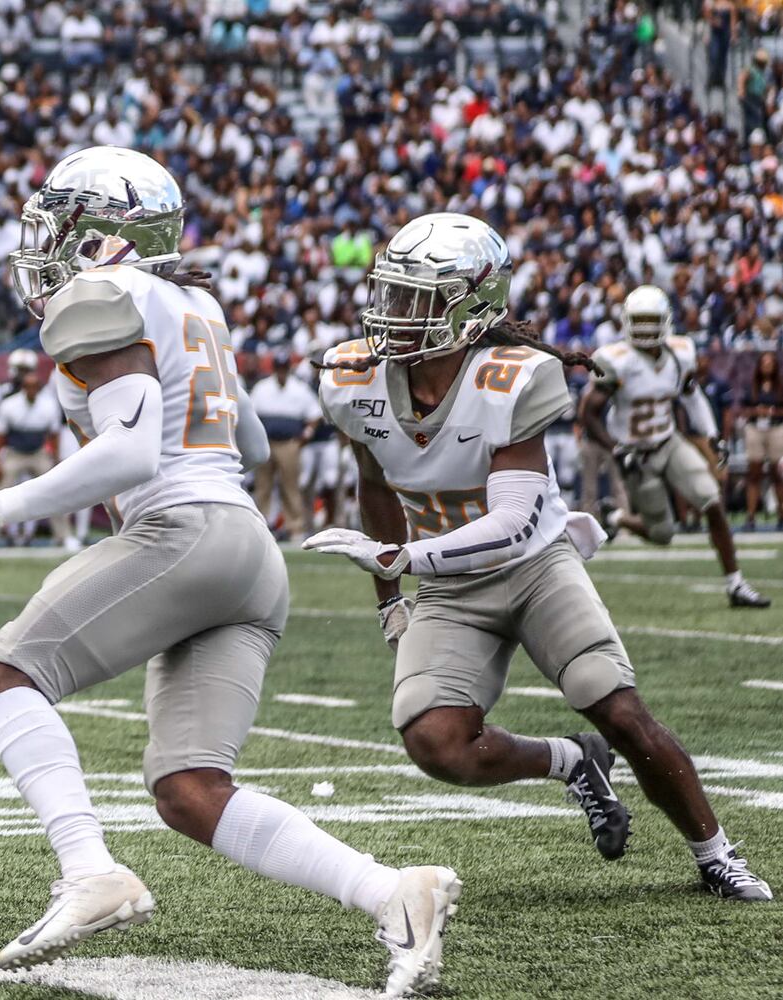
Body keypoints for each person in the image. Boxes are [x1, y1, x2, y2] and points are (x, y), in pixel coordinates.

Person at [0, 148, 463, 997]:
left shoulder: (101, 297)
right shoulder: (195, 303)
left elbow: (124, 451)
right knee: (189, 790)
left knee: (4, 678)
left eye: (60, 221)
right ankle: (390, 893)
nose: (42, 238)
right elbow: (256, 445)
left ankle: (89, 870)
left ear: (103, 238)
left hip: (184, 532)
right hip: (246, 553)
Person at [305, 213, 772, 905]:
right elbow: (375, 484)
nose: (395, 314)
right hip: (445, 586)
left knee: (612, 705)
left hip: (531, 567)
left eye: (416, 299)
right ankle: (569, 762)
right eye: (392, 294)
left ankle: (714, 851)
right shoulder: (356, 378)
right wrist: (391, 599)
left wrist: (401, 555)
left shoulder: (515, 377)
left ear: (471, 306)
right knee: (434, 740)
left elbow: (508, 523)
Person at [582, 285, 770, 608]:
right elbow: (588, 413)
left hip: (669, 443)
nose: (645, 328)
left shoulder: (679, 353)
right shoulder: (617, 360)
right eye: (639, 321)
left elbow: (691, 396)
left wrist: (711, 434)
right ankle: (616, 519)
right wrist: (616, 449)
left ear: (665, 321)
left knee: (712, 500)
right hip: (635, 456)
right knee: (663, 533)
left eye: (650, 321)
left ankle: (736, 584)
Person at [0, 368, 71, 548]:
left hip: (38, 452)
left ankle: (64, 536)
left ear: (39, 388)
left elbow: (54, 435)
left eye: (35, 387)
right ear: (23, 388)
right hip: (15, 452)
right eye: (28, 386)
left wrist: (56, 458)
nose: (31, 390)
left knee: (55, 488)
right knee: (1, 491)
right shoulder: (9, 405)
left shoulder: (48, 405)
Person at [248, 351, 322, 539]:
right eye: (278, 368)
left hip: (290, 443)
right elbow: (251, 414)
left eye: (284, 368)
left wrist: (306, 435)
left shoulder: (299, 388)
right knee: (263, 485)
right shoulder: (262, 388)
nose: (281, 372)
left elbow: (314, 414)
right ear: (274, 369)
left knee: (290, 486)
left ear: (288, 368)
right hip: (266, 442)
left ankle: (294, 526)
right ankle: (260, 524)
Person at [739, 351, 782, 530]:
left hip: (776, 428)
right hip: (755, 428)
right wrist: (757, 412)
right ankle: (751, 516)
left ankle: (781, 514)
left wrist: (771, 412)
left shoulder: (780, 387)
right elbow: (742, 410)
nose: (766, 366)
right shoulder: (752, 387)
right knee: (754, 473)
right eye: (764, 363)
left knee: (778, 473)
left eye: (769, 363)